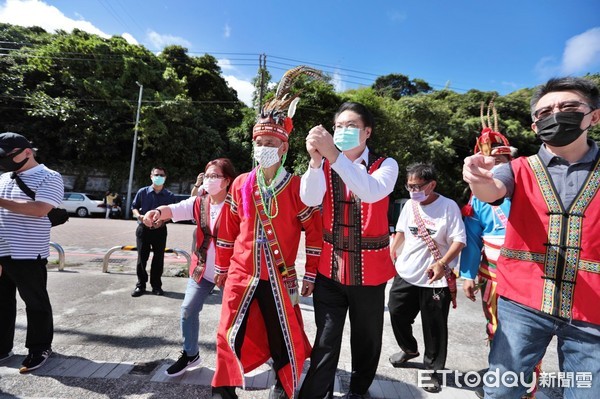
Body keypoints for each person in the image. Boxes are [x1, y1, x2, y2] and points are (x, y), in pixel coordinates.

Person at [463, 76, 600, 399]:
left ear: (593, 116)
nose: (556, 115)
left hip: (591, 306)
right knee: (502, 389)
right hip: (522, 297)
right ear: (535, 126)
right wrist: (477, 179)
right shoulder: (517, 169)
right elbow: (491, 192)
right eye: (545, 112)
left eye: (568, 107)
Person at [211, 66, 323, 399]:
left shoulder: (297, 186)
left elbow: (314, 234)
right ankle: (224, 387)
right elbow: (228, 230)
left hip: (280, 275)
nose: (264, 146)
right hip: (241, 274)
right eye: (259, 141)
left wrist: (311, 274)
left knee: (283, 334)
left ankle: (283, 384)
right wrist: (221, 267)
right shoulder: (242, 183)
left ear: (284, 146)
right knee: (228, 332)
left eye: (271, 141)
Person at [299, 102, 398, 399]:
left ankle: (358, 390)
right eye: (338, 126)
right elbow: (310, 198)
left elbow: (370, 191)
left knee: (366, 340)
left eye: (351, 126)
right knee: (326, 339)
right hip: (330, 269)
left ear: (367, 132)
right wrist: (315, 162)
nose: (343, 131)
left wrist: (334, 155)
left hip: (371, 274)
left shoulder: (386, 165)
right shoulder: (326, 164)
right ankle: (316, 394)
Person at [142, 158, 236, 377]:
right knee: (188, 309)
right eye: (208, 176)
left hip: (230, 271)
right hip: (202, 269)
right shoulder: (199, 203)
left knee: (239, 318)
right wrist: (157, 212)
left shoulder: (238, 204)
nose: (211, 180)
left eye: (216, 176)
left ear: (227, 180)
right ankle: (190, 354)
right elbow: (174, 209)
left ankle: (258, 355)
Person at [387, 162, 466, 393]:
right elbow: (401, 230)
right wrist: (394, 248)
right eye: (409, 186)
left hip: (436, 278)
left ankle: (432, 371)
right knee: (396, 311)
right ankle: (409, 349)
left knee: (434, 327)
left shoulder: (448, 207)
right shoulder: (411, 204)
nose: (413, 191)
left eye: (417, 186)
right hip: (407, 272)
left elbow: (459, 240)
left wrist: (442, 263)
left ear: (432, 184)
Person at [0, 132, 64, 373]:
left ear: (27, 152)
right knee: (2, 302)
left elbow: (40, 209)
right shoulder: (4, 177)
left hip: (28, 250)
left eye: (7, 156)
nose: (4, 161)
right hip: (2, 250)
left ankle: (40, 347)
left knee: (35, 302)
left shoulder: (49, 176)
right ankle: (3, 347)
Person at [130, 166, 176, 297]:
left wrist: (162, 221)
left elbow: (172, 214)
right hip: (143, 229)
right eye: (156, 175)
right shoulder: (142, 192)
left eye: (162, 175)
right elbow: (134, 207)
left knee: (158, 258)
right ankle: (141, 285)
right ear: (151, 176)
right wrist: (140, 216)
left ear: (165, 178)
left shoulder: (169, 195)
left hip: (160, 230)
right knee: (141, 258)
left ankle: (156, 286)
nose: (159, 177)